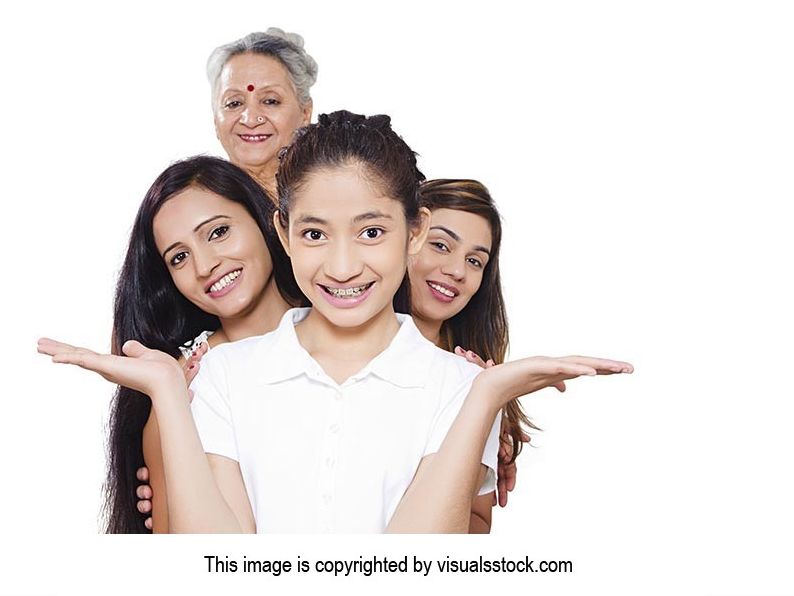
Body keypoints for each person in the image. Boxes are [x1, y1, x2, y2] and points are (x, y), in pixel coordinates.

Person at [39, 110, 631, 533]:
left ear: (415, 232)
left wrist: (485, 399)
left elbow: (422, 570)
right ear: (284, 234)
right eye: (315, 233)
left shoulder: (457, 385)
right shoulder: (221, 376)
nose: (343, 266)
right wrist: (169, 392)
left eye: (372, 232)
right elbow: (210, 569)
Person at [103, 155, 303, 533]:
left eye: (218, 232)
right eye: (179, 257)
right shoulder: (181, 388)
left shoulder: (348, 323)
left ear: (265, 220)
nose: (205, 265)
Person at [409, 179, 538, 509]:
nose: (456, 271)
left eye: (475, 261)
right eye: (440, 245)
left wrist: (479, 416)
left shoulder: (472, 381)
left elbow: (476, 529)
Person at [207, 28, 317, 200]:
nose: (250, 120)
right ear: (215, 119)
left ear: (305, 113)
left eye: (270, 101)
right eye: (234, 103)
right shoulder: (196, 204)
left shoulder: (336, 195)